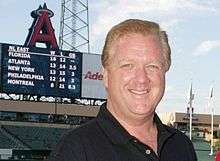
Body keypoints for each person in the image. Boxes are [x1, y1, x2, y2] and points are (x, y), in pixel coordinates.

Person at [48, 19, 197, 161]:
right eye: (127, 65)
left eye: (152, 66)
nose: (141, 79)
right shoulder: (74, 150)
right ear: (105, 76)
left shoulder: (181, 145)